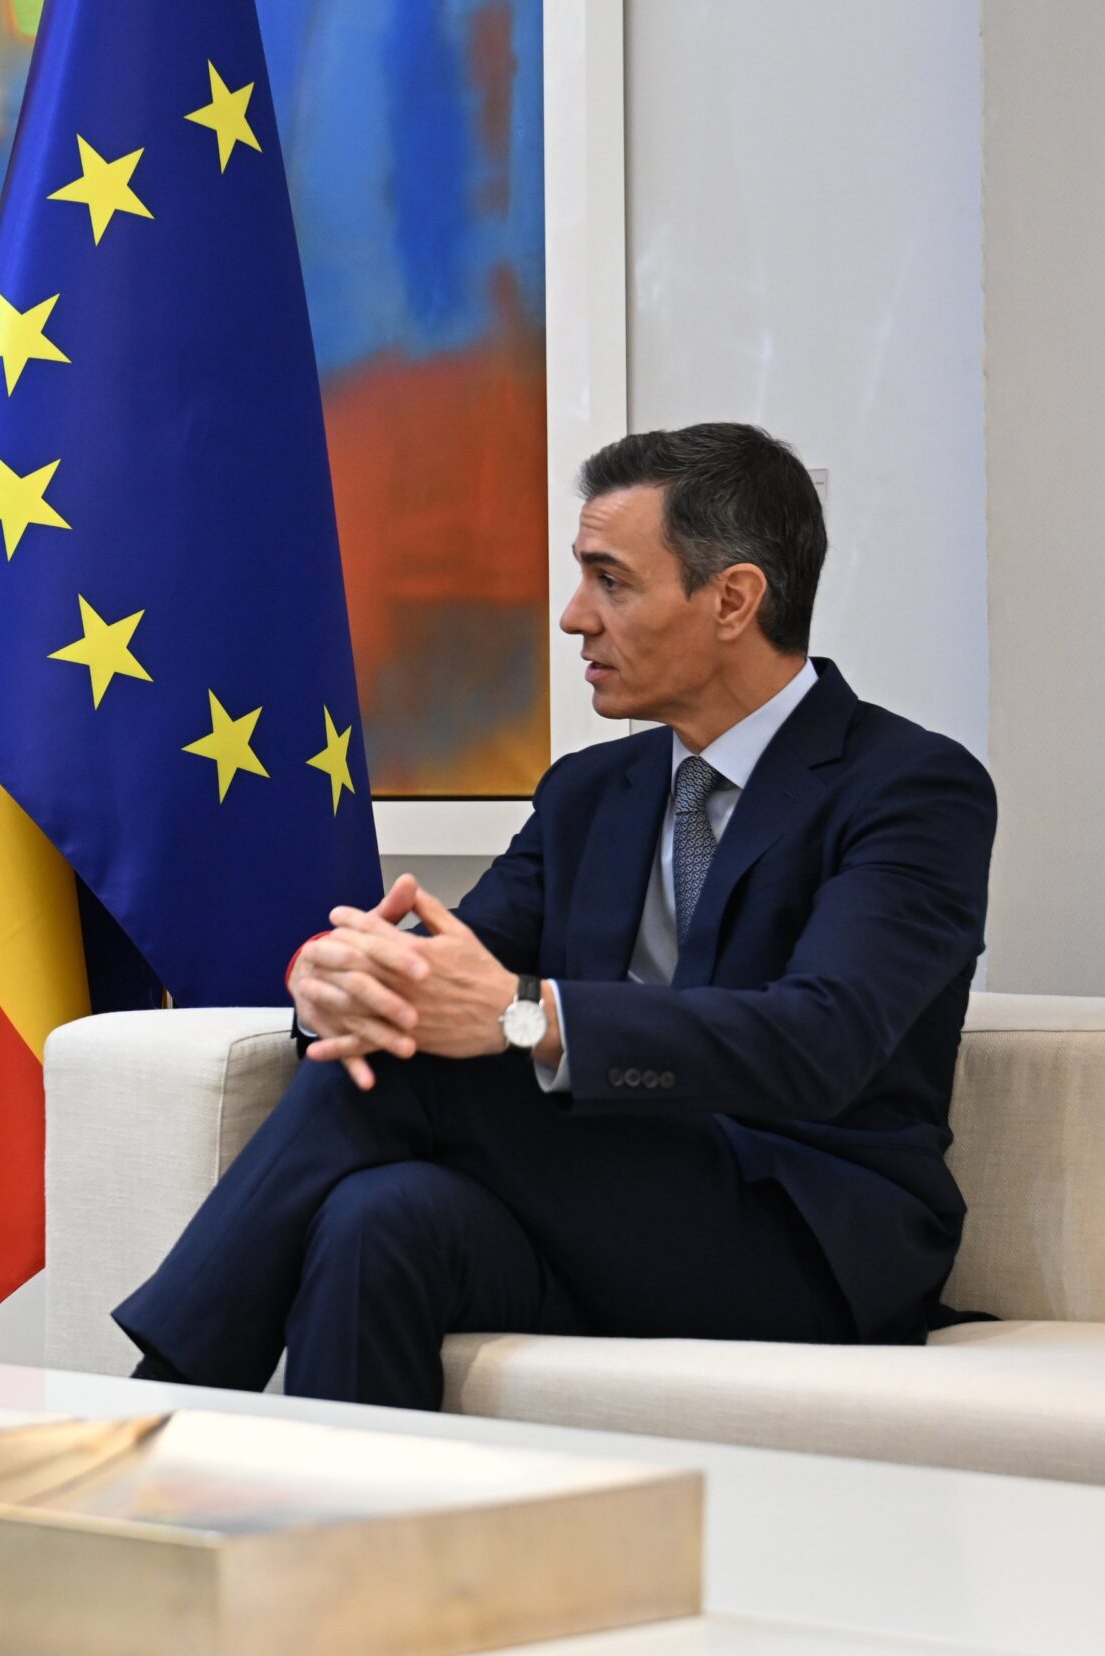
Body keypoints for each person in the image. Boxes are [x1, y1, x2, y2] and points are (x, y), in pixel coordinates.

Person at [115, 423, 997, 1408]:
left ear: (732, 599)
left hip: (802, 1230)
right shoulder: (588, 792)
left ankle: (161, 1404)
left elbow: (822, 1039)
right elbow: (454, 963)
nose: (575, 617)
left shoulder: (911, 787)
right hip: (601, 1208)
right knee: (377, 1215)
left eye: (610, 581)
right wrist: (345, 983)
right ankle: (342, 1509)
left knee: (416, 1073)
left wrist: (521, 1017)